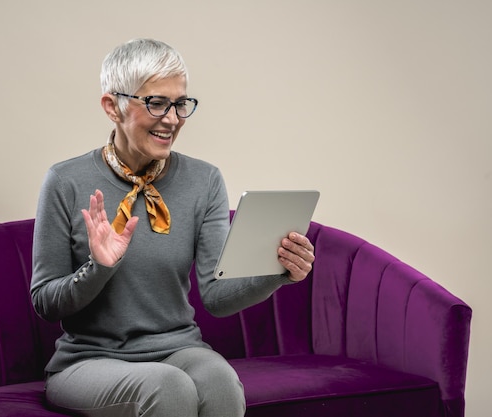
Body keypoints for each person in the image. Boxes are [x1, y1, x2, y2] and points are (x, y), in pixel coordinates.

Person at [30, 38, 315, 417]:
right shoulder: (66, 181)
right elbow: (45, 302)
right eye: (156, 103)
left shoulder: (204, 180)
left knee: (219, 381)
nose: (173, 118)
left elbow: (216, 296)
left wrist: (278, 271)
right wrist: (99, 267)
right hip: (88, 360)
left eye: (180, 103)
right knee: (168, 387)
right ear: (111, 107)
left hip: (179, 349)